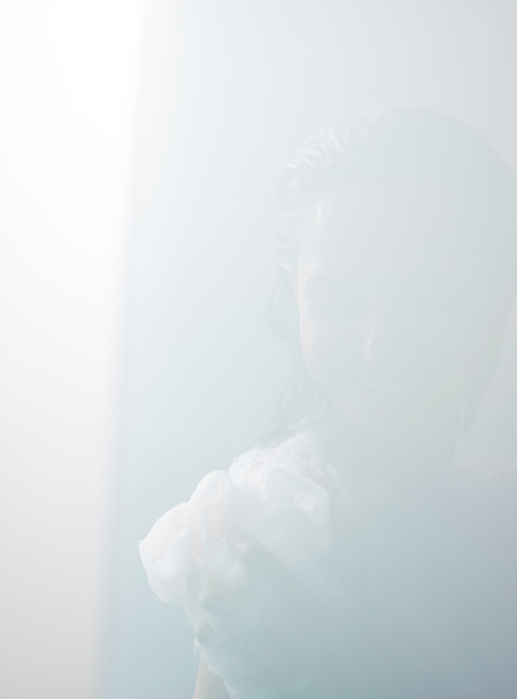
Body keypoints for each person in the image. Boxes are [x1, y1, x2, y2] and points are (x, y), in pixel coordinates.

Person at [140, 109, 517, 698]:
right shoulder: (280, 528)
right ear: (293, 303)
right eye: (337, 299)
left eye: (429, 296)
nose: (380, 346)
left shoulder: (492, 509)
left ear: (497, 297)